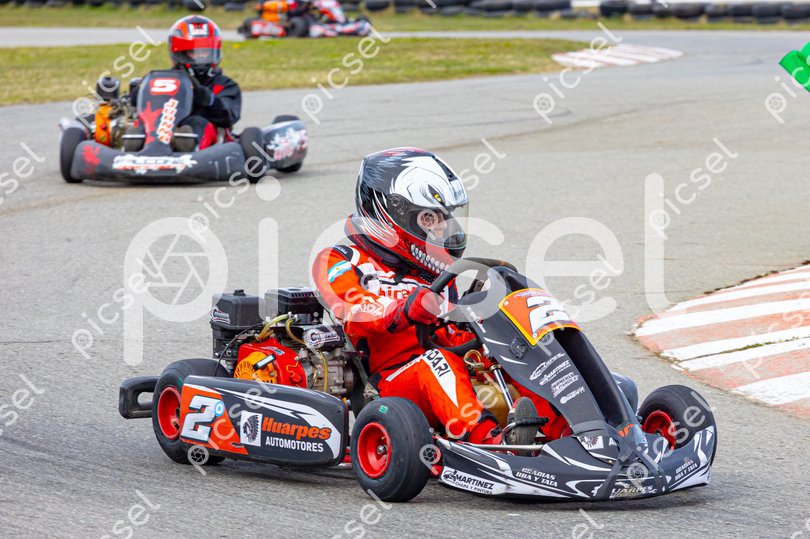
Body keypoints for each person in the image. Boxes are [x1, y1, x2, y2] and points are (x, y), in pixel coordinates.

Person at [312, 147, 562, 446]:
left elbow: (449, 332)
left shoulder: (436, 273)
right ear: (392, 215)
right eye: (429, 218)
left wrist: (483, 327)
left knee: (518, 352)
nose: (443, 226)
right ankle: (491, 442)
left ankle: (575, 432)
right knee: (437, 362)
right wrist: (405, 308)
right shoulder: (340, 259)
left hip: (450, 368)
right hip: (390, 383)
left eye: (445, 217)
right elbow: (353, 310)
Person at [167, 15, 241, 151]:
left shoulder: (224, 85)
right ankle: (136, 142)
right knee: (143, 125)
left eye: (205, 51)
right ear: (180, 53)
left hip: (209, 140)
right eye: (193, 51)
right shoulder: (166, 80)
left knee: (195, 122)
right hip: (165, 128)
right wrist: (139, 93)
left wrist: (210, 100)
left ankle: (187, 146)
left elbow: (229, 117)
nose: (200, 56)